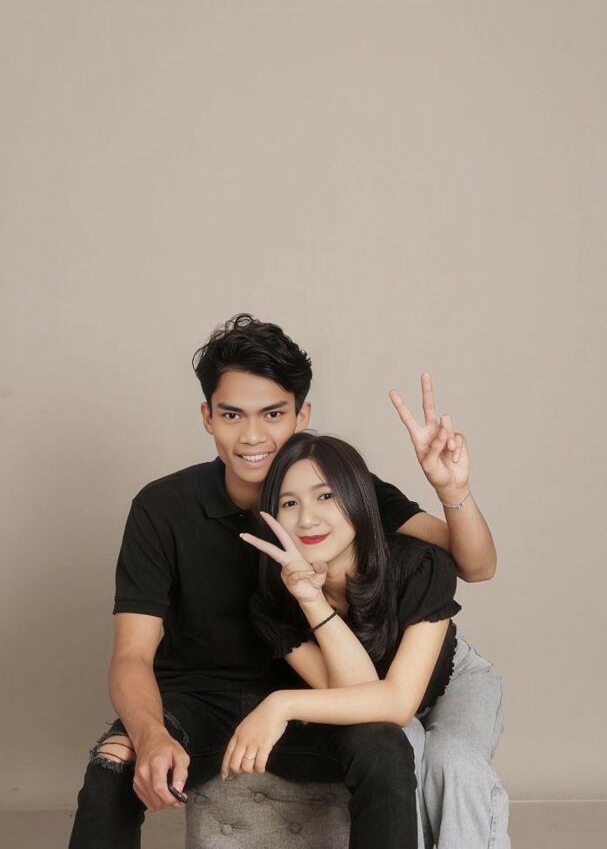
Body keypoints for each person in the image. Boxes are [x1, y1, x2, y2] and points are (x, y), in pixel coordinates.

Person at [68, 313, 505, 849]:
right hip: (203, 701)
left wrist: (452, 491)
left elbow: (472, 565)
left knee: (387, 749)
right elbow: (132, 654)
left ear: (302, 416)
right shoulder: (162, 507)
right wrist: (150, 732)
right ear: (208, 417)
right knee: (112, 765)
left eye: (273, 414)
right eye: (232, 414)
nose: (253, 436)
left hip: (316, 692)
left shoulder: (340, 490)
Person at [224, 432, 509, 849]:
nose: (307, 519)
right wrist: (310, 601)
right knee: (399, 753)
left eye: (325, 497)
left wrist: (281, 704)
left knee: (454, 760)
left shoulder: (418, 563)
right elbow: (362, 697)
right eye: (289, 504)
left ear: (359, 499)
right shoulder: (273, 603)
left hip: (452, 679)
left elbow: (399, 701)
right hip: (375, 695)